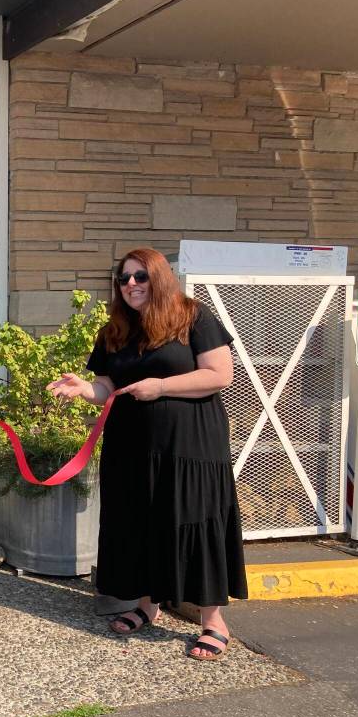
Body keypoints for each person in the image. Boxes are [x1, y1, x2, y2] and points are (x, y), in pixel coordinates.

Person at [49, 247, 248, 660]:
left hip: (190, 444)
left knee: (192, 518)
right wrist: (83, 389)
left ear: (158, 277)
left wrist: (161, 386)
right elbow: (106, 388)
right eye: (124, 279)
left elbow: (219, 375)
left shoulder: (193, 316)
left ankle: (213, 620)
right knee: (139, 521)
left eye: (140, 277)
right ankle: (147, 604)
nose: (131, 285)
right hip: (131, 444)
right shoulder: (115, 330)